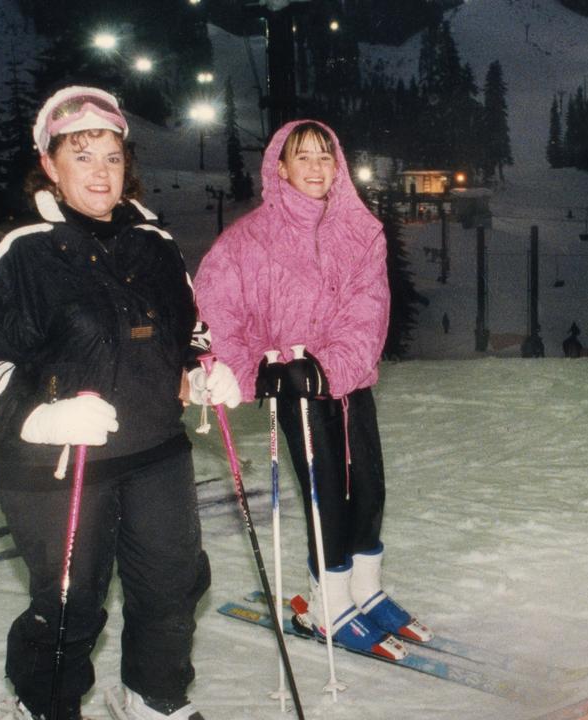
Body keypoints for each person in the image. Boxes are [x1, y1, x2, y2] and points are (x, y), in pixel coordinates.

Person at [0, 85, 239, 720]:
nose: (101, 171)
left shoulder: (153, 241)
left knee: (172, 585)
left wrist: (203, 369)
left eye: (111, 156)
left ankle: (153, 697)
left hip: (157, 450)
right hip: (55, 464)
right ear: (49, 164)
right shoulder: (16, 248)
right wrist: (34, 415)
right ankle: (44, 704)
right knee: (70, 602)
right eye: (82, 155)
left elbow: (192, 330)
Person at [194, 120, 429, 662]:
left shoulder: (358, 228)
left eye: (326, 157)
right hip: (294, 387)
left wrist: (330, 368)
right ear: (280, 168)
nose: (317, 168)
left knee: (368, 487)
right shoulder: (247, 241)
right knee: (328, 490)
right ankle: (330, 599)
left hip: (344, 380)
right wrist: (251, 370)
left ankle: (364, 588)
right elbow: (217, 315)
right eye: (304, 158)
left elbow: (367, 311)